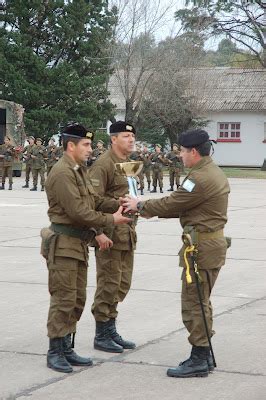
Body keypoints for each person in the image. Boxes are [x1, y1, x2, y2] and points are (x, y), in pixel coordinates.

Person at [122, 129, 230, 378]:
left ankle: (199, 358)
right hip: (209, 246)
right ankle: (205, 354)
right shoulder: (211, 171)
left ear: (193, 152)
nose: (180, 156)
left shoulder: (199, 178)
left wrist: (141, 205)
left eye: (182, 151)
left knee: (194, 302)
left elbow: (175, 202)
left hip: (201, 249)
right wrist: (150, 210)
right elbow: (185, 206)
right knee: (201, 301)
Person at [42, 123, 130, 373]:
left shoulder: (77, 170)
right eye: (86, 145)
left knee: (76, 298)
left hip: (76, 244)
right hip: (63, 245)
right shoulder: (62, 173)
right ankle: (55, 351)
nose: (91, 149)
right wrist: (111, 220)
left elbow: (94, 200)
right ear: (71, 146)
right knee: (63, 298)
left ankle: (67, 348)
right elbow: (79, 212)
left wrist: (120, 204)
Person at [88, 121, 137, 353]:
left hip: (126, 234)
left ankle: (111, 327)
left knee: (121, 284)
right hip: (109, 234)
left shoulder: (127, 164)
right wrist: (98, 232)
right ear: (113, 139)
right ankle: (101, 333)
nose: (131, 140)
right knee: (108, 283)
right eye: (126, 136)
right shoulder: (103, 164)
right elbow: (92, 202)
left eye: (132, 136)